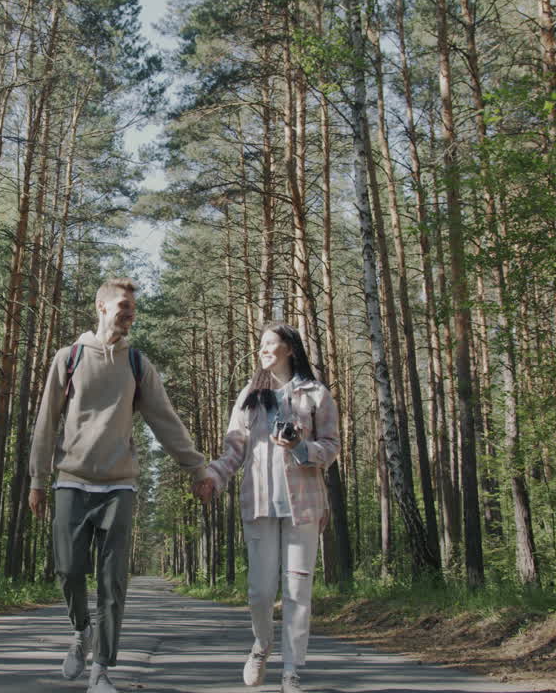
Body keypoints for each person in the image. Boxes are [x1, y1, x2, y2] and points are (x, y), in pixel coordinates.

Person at [29, 277, 208, 693]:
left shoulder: (137, 364)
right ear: (102, 306)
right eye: (123, 305)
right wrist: (38, 479)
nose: (130, 312)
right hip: (71, 480)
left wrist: (197, 467)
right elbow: (45, 422)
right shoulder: (69, 357)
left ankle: (102, 671)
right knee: (68, 570)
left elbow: (165, 421)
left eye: (133, 307)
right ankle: (81, 631)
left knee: (113, 582)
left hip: (119, 486)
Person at [193, 322, 340, 693]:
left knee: (297, 592)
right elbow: (234, 451)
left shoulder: (315, 394)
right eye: (260, 344)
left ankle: (291, 672)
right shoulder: (250, 395)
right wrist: (212, 477)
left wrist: (301, 449)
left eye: (270, 343)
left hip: (304, 506)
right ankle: (261, 645)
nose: (263, 349)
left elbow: (332, 446)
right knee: (260, 592)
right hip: (258, 504)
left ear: (290, 348)